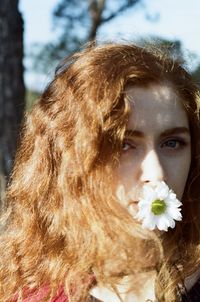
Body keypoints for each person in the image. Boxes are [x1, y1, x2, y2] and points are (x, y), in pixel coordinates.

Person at [0, 42, 200, 302]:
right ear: (70, 160)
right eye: (124, 145)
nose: (157, 173)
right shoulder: (34, 294)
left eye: (172, 143)